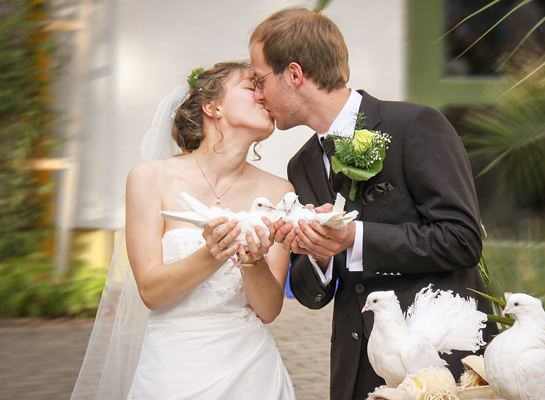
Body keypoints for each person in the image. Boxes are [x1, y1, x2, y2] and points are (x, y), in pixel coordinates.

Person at [249, 9, 497, 400]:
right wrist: (317, 253)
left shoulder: (415, 126)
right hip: (358, 366)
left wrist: (354, 237)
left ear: (294, 74)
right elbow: (312, 296)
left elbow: (462, 240)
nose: (258, 94)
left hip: (439, 361)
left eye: (260, 79)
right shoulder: (302, 163)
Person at [71, 62, 296, 400]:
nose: (265, 95)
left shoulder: (279, 191)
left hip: (252, 373)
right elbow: (150, 291)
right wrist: (212, 253)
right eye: (252, 87)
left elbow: (268, 310)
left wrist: (252, 261)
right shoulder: (149, 178)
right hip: (171, 373)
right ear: (212, 107)